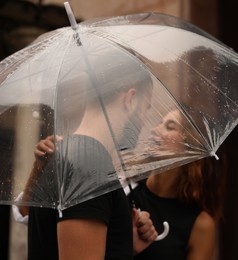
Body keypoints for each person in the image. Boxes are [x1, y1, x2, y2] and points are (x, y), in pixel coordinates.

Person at [22, 51, 157, 260]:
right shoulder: (88, 164)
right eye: (146, 107)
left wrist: (121, 244)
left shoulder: (75, 155)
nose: (146, 118)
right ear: (130, 99)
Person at [125, 107, 226, 260]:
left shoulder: (201, 223)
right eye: (159, 123)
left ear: (191, 145)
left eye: (169, 127)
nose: (154, 130)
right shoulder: (126, 190)